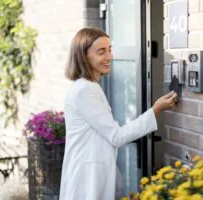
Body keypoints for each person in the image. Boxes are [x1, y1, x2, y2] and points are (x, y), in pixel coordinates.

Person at [59, 27, 178, 200]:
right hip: (87, 179)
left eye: (109, 50)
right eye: (101, 52)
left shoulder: (87, 86)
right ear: (83, 56)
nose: (109, 57)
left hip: (89, 172)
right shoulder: (85, 90)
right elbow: (117, 136)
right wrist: (156, 110)